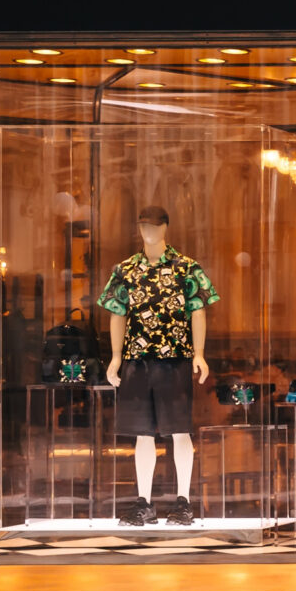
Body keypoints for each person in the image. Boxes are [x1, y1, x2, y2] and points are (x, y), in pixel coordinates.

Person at [98, 204, 218, 526]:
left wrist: (199, 353)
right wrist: (116, 356)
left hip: (175, 359)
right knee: (142, 433)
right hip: (137, 360)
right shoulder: (125, 270)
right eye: (143, 226)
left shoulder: (186, 268)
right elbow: (117, 313)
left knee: (179, 430)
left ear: (165, 227)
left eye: (154, 226)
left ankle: (184, 501)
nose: (148, 232)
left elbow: (198, 310)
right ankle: (144, 502)